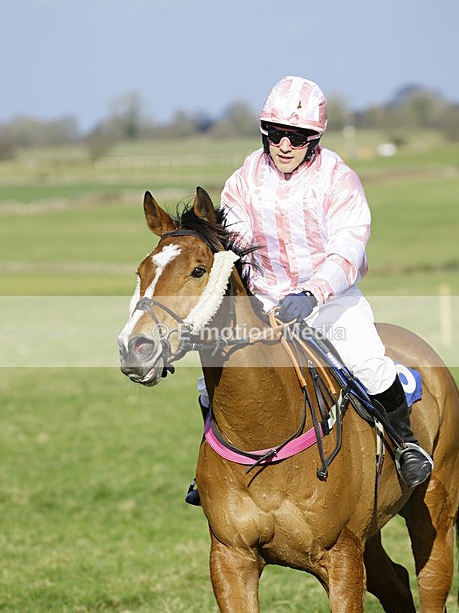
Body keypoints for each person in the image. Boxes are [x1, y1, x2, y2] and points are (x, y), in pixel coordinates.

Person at [185, 76, 432, 504]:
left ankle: (406, 445)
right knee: (213, 383)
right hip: (264, 302)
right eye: (276, 134)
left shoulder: (338, 179)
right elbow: (237, 245)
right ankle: (212, 466)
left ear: (314, 140)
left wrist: (313, 293)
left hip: (330, 301)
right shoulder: (243, 179)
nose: (284, 145)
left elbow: (348, 248)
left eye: (297, 138)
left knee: (369, 364)